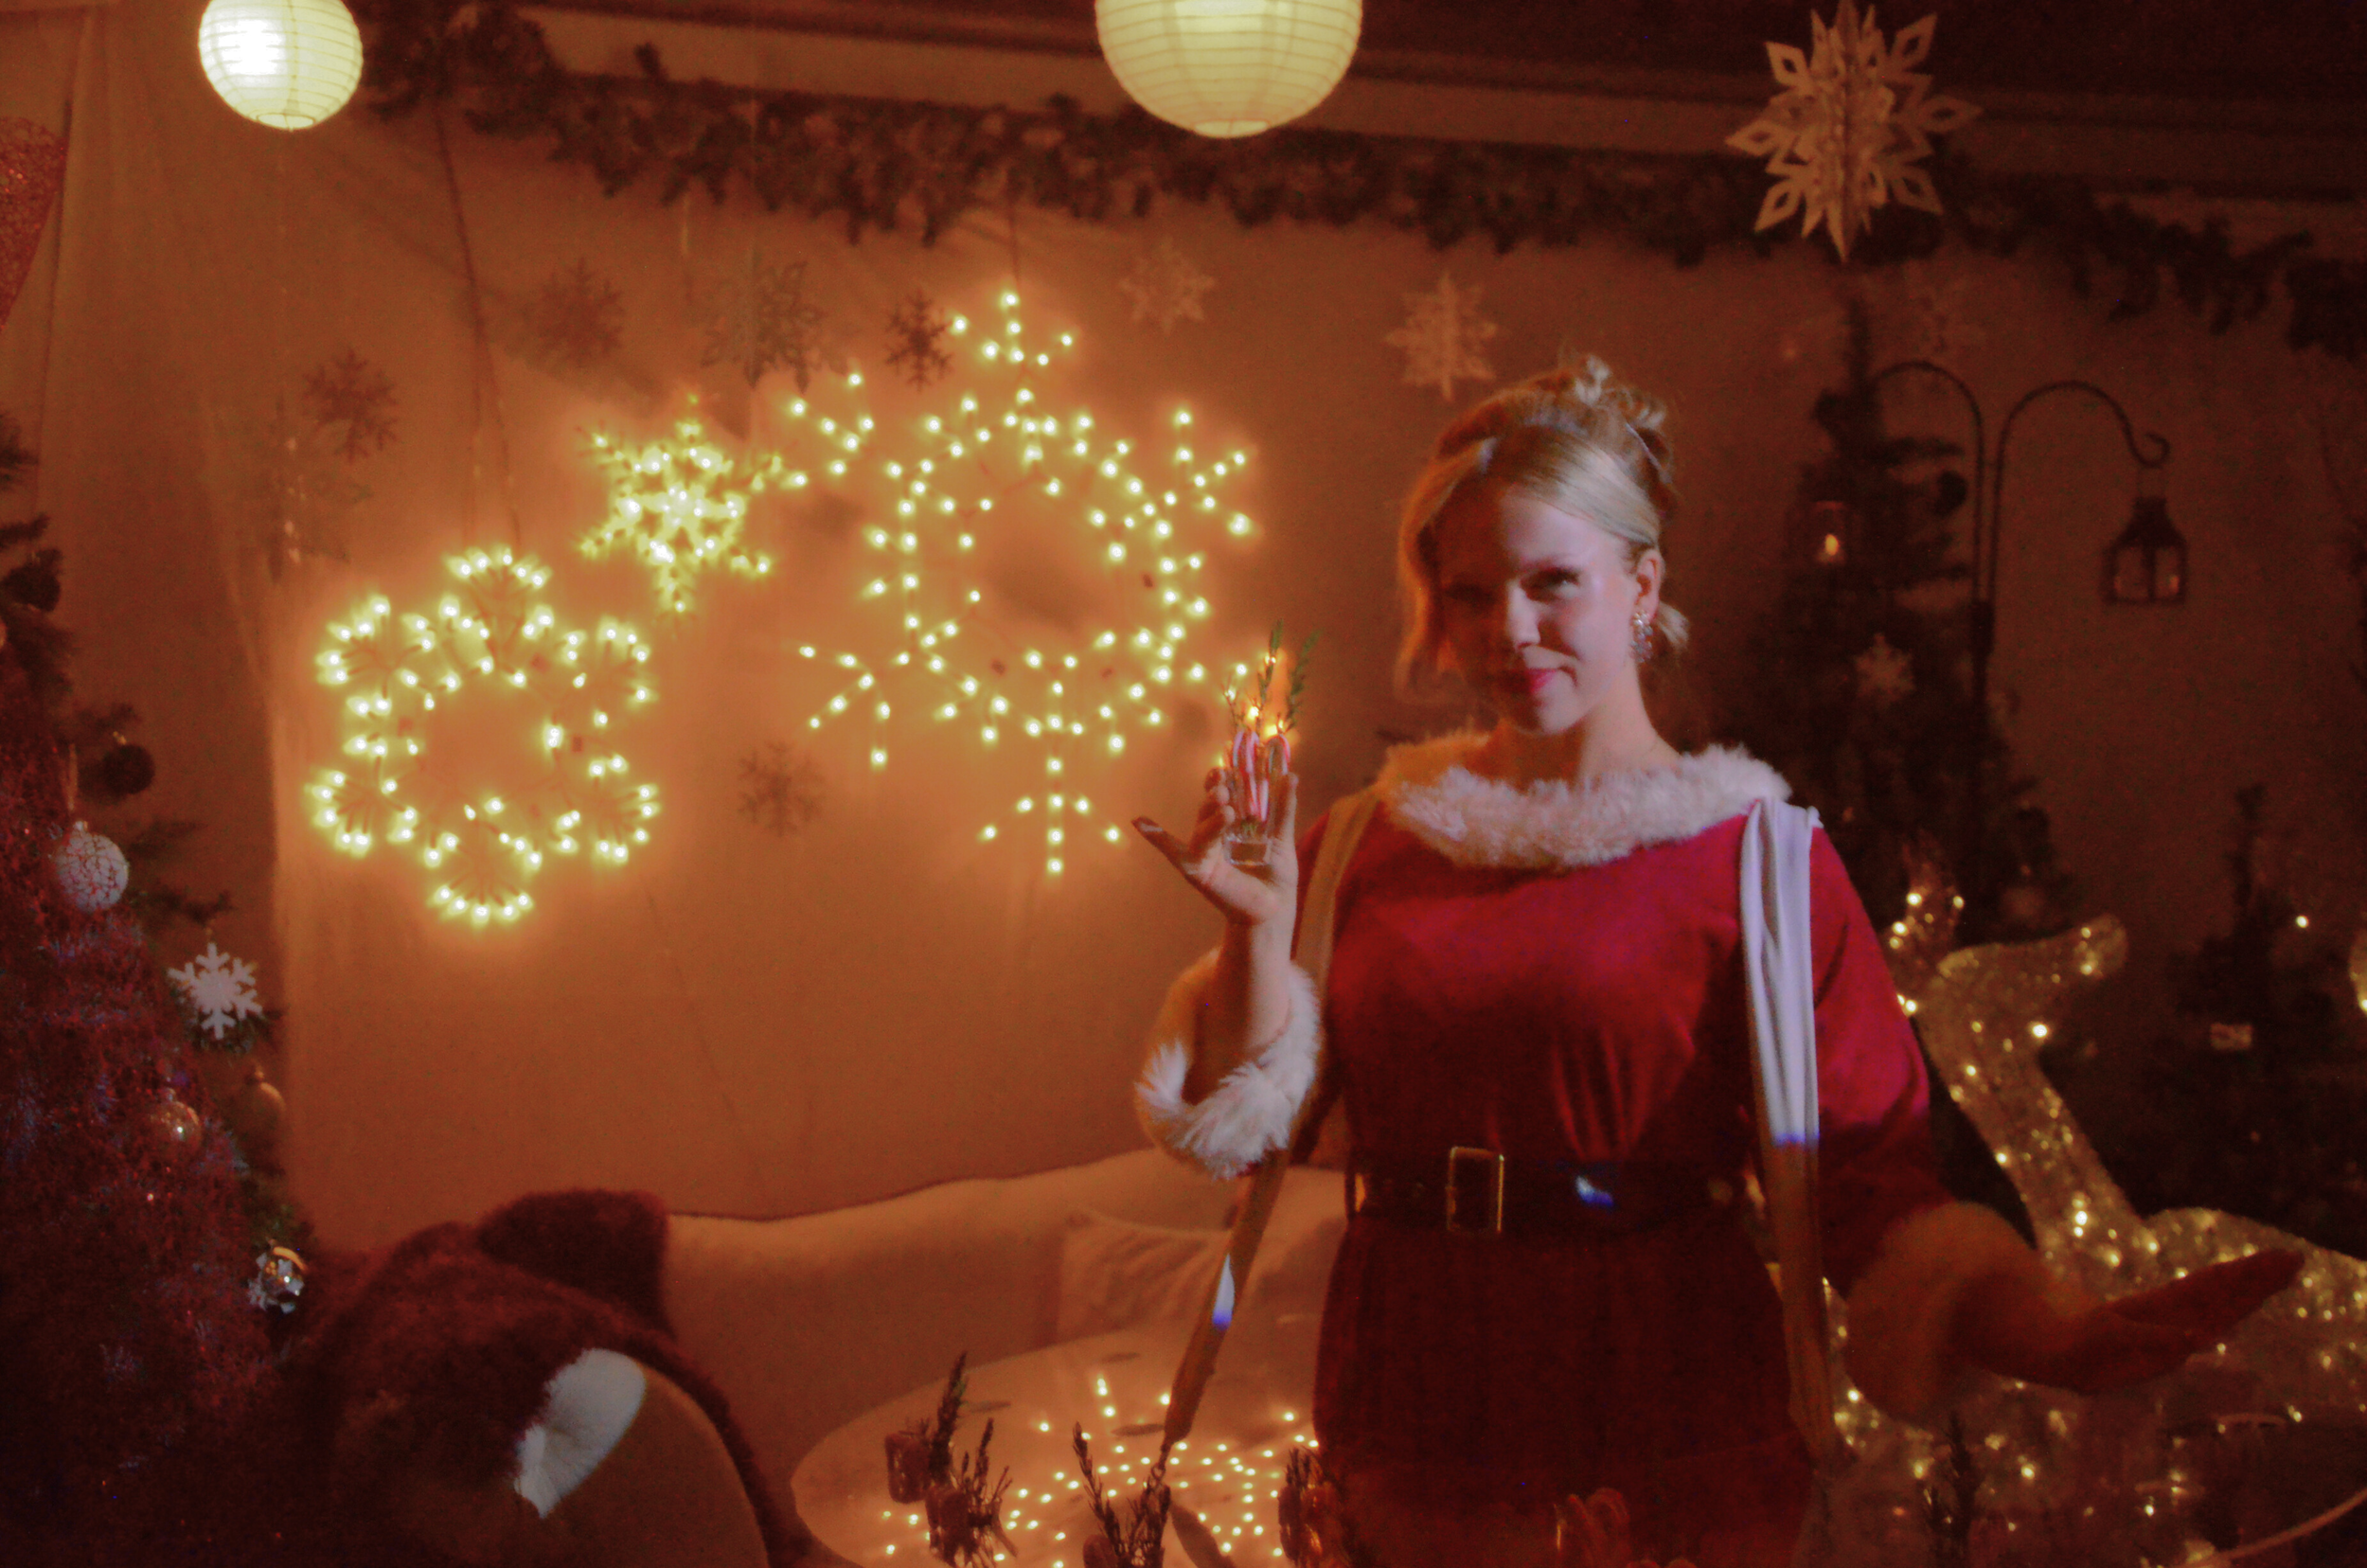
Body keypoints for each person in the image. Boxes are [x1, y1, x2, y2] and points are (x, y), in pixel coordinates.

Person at [1130, 362, 2297, 1568]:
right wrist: (1251, 934)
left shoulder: (1757, 862)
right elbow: (1244, 1130)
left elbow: (1870, 1182)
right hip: (1414, 1382)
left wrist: (2051, 1335)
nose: (1507, 631)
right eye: (1471, 593)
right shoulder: (1363, 843)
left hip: (1662, 1386)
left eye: (1551, 584)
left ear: (1641, 588)